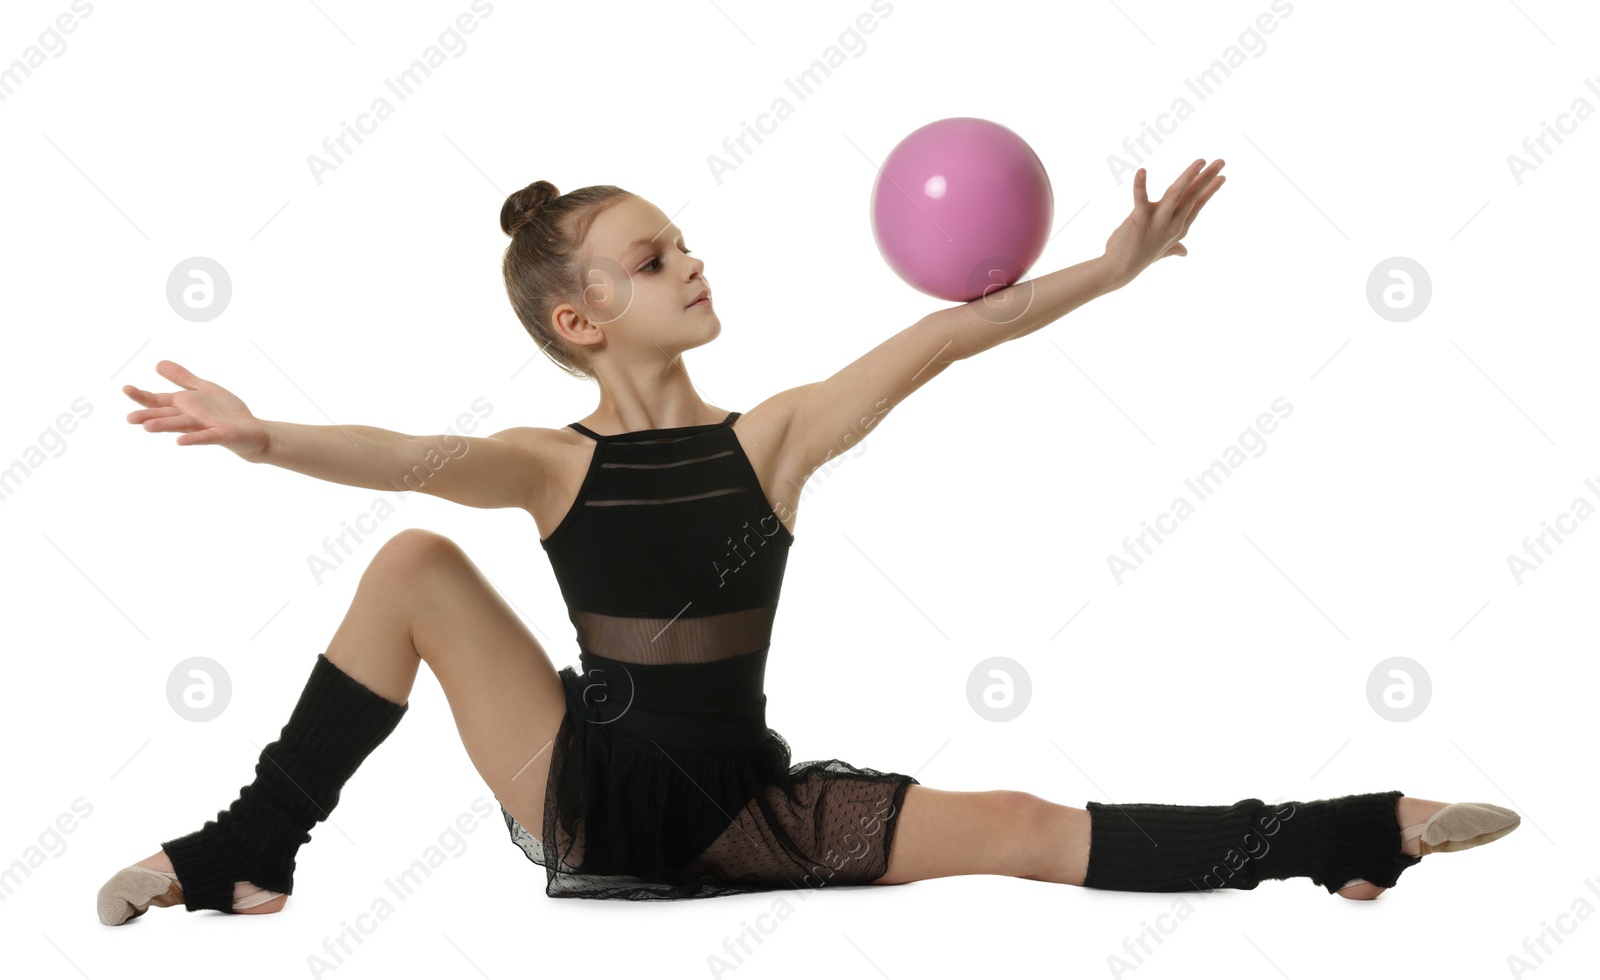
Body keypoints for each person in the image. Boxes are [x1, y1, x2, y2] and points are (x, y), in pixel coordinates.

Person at [97, 160, 1520, 923]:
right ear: (579, 323)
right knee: (412, 563)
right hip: (579, 791)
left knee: (1022, 827)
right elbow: (407, 458)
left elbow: (957, 334)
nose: (693, 262)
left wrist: (1115, 264)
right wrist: (266, 436)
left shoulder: (770, 440)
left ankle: (1357, 837)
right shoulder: (547, 464)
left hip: (745, 807)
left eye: (685, 241)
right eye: (653, 260)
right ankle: (247, 850)